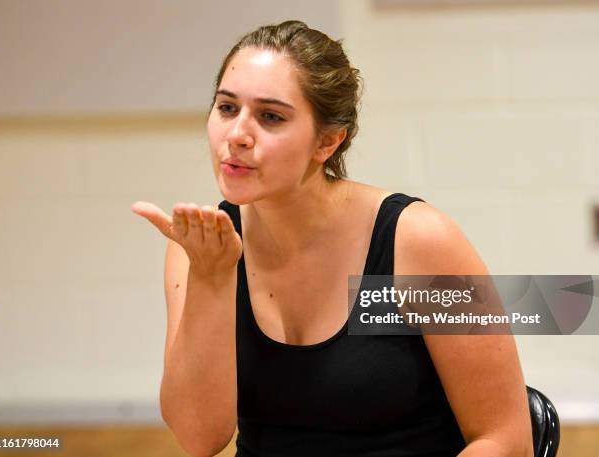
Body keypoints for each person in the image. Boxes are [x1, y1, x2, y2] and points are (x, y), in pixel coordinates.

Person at [131, 20, 533, 457]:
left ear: (328, 141)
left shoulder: (414, 241)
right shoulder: (200, 248)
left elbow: (505, 439)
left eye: (270, 116)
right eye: (227, 108)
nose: (237, 135)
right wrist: (211, 277)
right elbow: (199, 438)